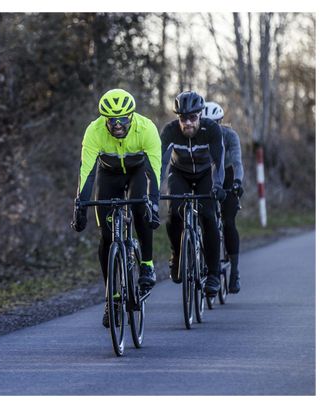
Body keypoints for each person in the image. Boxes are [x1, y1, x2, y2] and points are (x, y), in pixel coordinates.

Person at [71, 88, 162, 328]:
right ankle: (111, 298)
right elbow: (87, 171)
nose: (117, 124)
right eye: (111, 120)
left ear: (131, 116)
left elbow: (154, 170)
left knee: (142, 209)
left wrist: (153, 203)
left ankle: (147, 265)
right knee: (107, 237)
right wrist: (79, 207)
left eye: (122, 118)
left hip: (137, 172)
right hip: (109, 174)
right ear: (105, 119)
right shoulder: (94, 131)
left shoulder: (147, 128)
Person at [160, 91, 226, 296]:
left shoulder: (212, 129)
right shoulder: (170, 131)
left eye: (192, 117)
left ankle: (214, 275)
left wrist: (218, 186)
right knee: (173, 214)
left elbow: (218, 162)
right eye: (182, 118)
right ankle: (177, 254)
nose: (187, 123)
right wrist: (153, 191)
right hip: (179, 174)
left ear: (200, 115)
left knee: (208, 217)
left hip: (206, 175)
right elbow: (160, 163)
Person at [202, 101, 245, 293]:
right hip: (205, 175)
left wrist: (237, 182)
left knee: (228, 222)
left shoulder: (230, 135)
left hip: (226, 175)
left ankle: (234, 271)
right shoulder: (198, 135)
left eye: (215, 123)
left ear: (220, 122)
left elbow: (237, 162)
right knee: (205, 218)